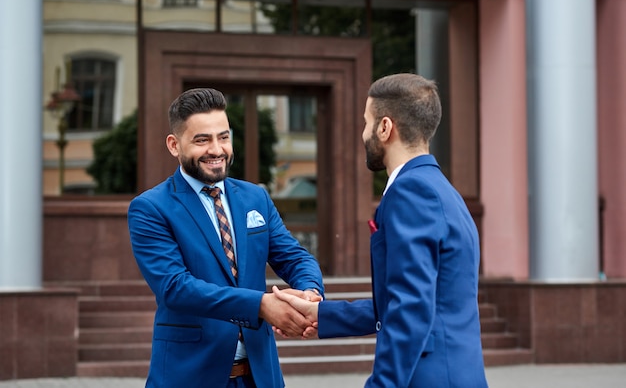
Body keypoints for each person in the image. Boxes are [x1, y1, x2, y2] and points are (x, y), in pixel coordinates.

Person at [274, 73, 488, 387]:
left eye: (366, 122)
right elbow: (409, 301)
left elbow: (410, 306)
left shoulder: (411, 191)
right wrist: (321, 315)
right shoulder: (441, 189)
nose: (363, 133)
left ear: (385, 128)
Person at [128, 87, 324, 388]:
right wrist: (260, 305)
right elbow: (175, 288)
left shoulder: (255, 197)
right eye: (202, 140)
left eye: (224, 136)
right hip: (190, 376)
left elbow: (294, 257)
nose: (217, 150)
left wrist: (310, 294)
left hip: (260, 377)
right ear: (174, 145)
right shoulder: (151, 208)